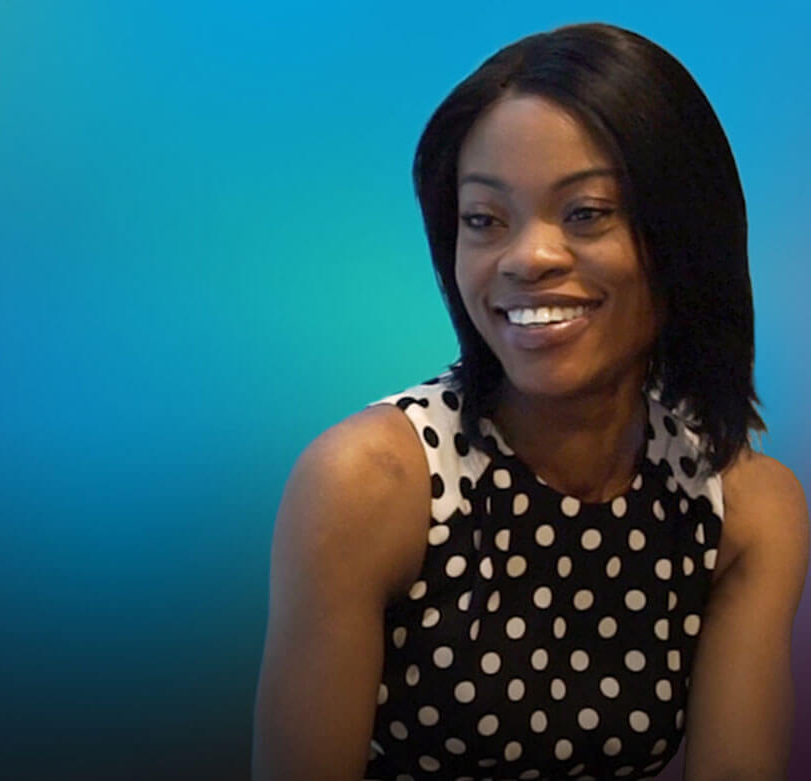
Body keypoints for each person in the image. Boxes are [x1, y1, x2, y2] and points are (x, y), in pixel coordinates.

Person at [251, 21, 809, 781]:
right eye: (484, 220)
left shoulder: (744, 510)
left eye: (586, 212)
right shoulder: (367, 482)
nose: (528, 257)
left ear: (684, 231)